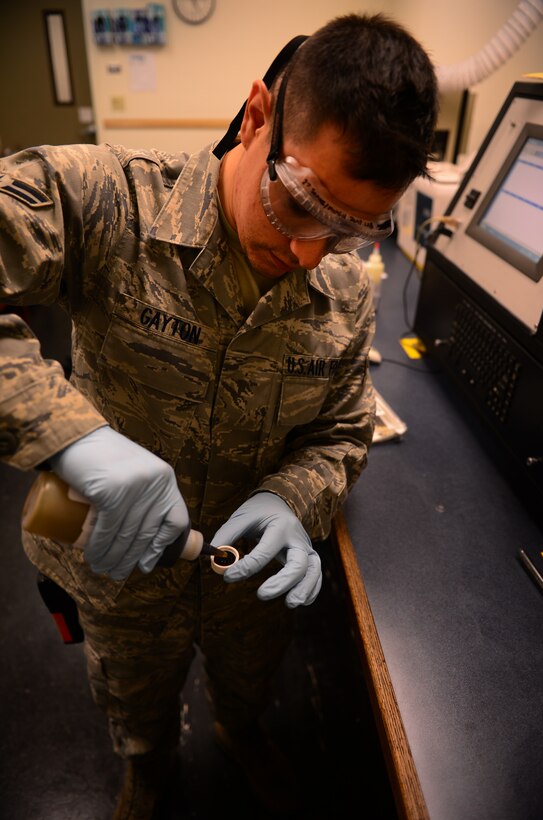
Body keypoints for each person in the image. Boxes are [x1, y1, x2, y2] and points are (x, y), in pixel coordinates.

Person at [0, 12, 438, 819]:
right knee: (132, 693)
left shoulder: (343, 289)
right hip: (114, 555)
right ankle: (149, 767)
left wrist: (292, 498)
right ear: (257, 117)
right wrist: (74, 438)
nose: (312, 251)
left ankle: (241, 734)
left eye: (352, 227)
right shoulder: (109, 199)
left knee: (249, 683)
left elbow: (340, 430)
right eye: (304, 202)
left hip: (242, 580)